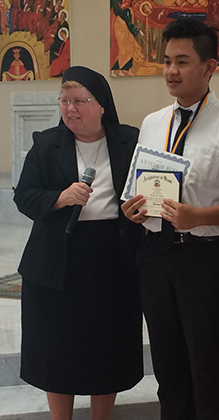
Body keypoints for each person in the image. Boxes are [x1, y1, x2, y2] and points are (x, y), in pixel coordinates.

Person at [121, 17, 219, 420]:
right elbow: (139, 186)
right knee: (168, 369)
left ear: (209, 67)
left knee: (209, 368)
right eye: (167, 61)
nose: (170, 71)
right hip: (155, 254)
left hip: (205, 259)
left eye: (182, 61)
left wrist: (197, 215)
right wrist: (133, 208)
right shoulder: (152, 122)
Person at [14, 66, 143, 420]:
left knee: (109, 347)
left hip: (112, 258)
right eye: (65, 101)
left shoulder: (128, 141)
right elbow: (24, 197)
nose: (71, 109)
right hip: (57, 260)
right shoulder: (46, 143)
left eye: (80, 101)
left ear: (101, 105)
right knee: (58, 350)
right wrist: (60, 197)